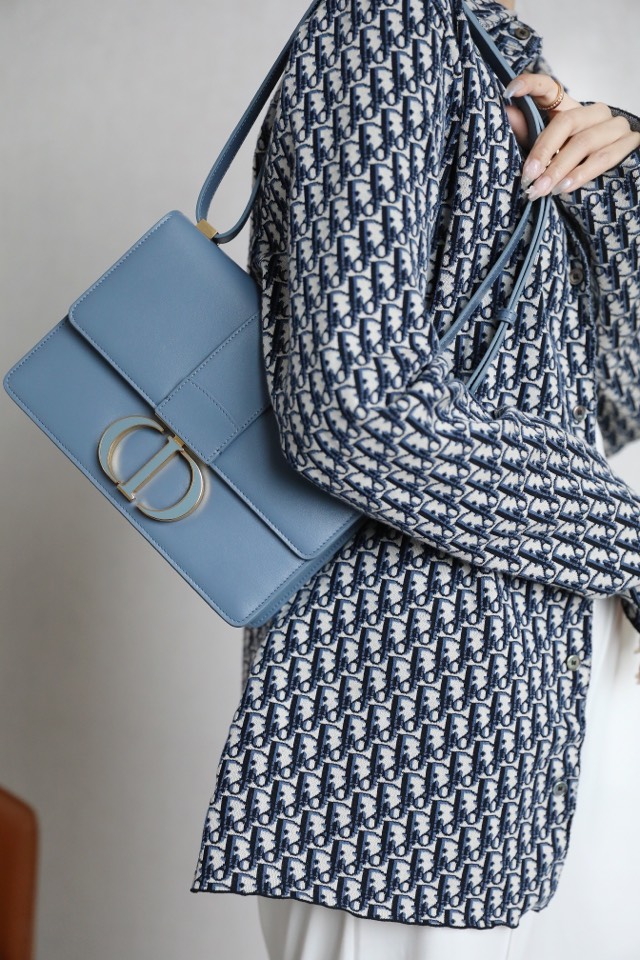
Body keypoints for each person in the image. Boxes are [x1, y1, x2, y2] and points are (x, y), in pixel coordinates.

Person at [190, 0, 640, 956]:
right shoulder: (384, 28)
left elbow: (609, 407)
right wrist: (626, 543)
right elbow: (353, 412)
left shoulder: (504, 68)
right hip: (406, 733)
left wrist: (619, 187)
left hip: (533, 702)